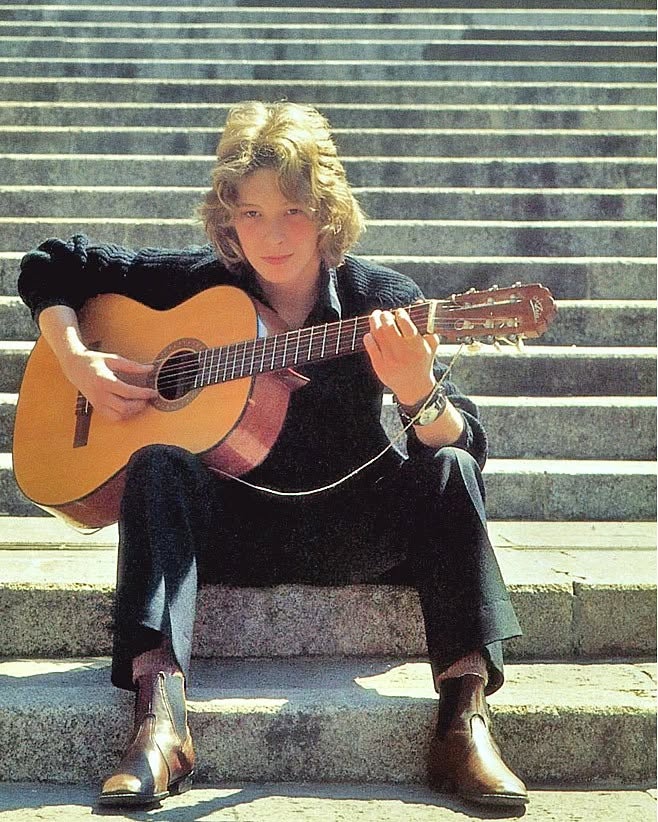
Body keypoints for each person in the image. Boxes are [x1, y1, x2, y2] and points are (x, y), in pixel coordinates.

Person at [17, 100, 528, 809]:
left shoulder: (383, 300)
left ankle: (463, 723)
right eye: (251, 213)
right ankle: (160, 722)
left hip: (351, 531)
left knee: (451, 468)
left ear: (326, 214)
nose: (272, 234)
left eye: (293, 211)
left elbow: (467, 442)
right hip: (231, 531)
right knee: (159, 462)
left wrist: (417, 392)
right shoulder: (200, 283)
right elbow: (53, 263)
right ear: (228, 218)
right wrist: (78, 362)